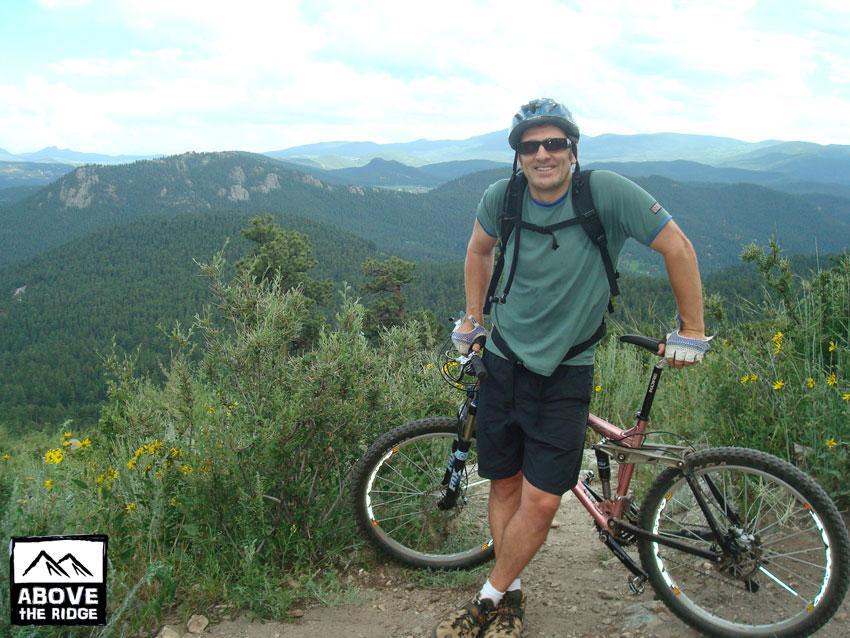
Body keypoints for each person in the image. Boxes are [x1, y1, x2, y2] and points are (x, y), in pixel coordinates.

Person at [432, 98, 711, 638]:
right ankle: (510, 594)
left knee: (540, 497)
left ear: (573, 150)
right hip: (503, 362)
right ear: (517, 157)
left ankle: (486, 599)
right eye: (530, 146)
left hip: (566, 368)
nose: (543, 154)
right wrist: (473, 321)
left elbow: (676, 245)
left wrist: (692, 332)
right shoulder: (502, 198)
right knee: (505, 482)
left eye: (554, 143)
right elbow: (477, 251)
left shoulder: (604, 193)